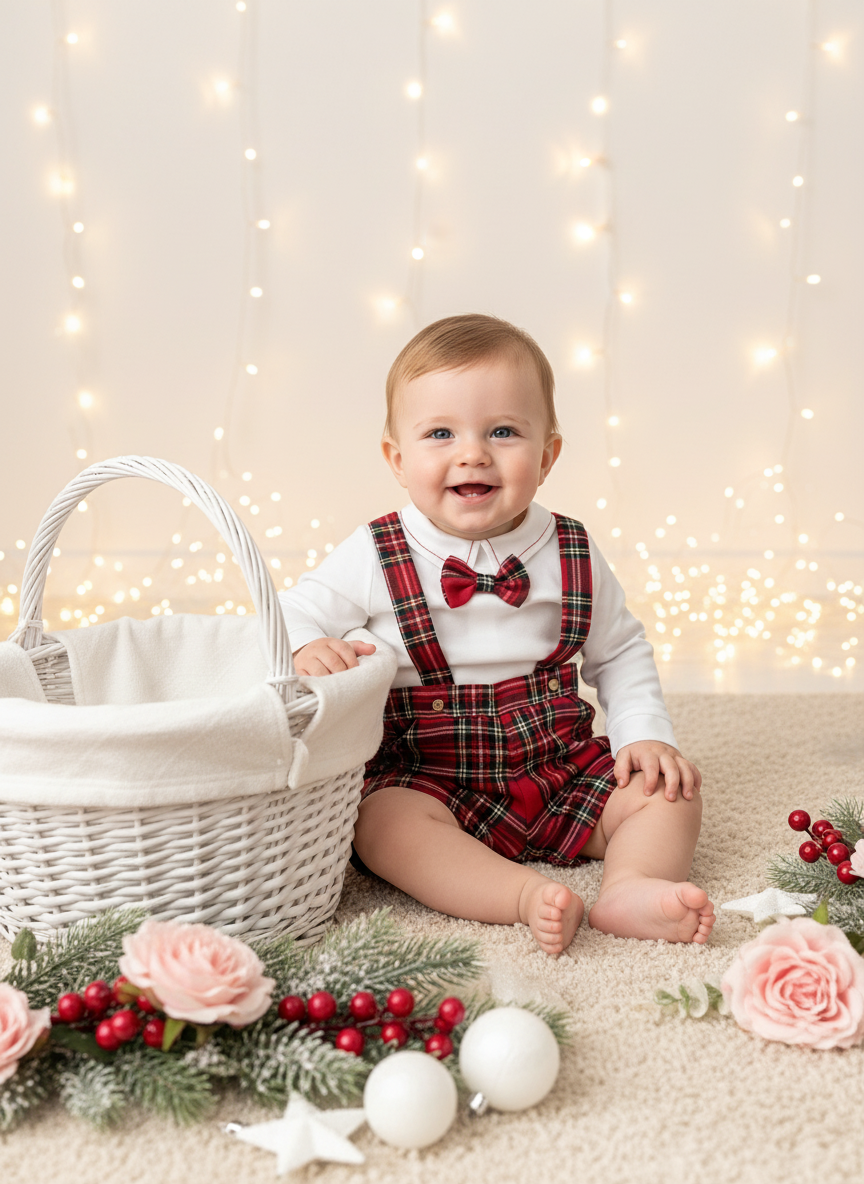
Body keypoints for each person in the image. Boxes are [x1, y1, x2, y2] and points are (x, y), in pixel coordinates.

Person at [278, 314, 714, 956]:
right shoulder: (374, 550)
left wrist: (644, 734)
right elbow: (292, 608)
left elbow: (619, 650)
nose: (473, 452)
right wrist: (307, 645)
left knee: (669, 791)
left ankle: (631, 885)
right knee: (380, 825)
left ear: (548, 453)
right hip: (429, 772)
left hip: (556, 760)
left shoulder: (572, 548)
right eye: (440, 433)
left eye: (503, 431)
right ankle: (517, 894)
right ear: (398, 460)